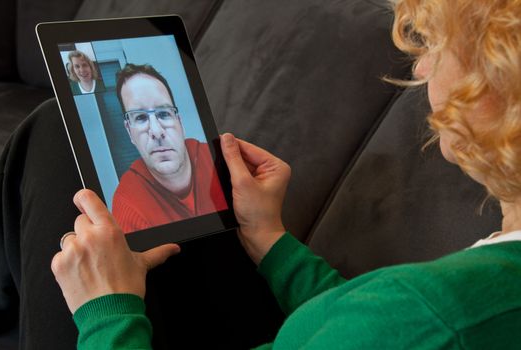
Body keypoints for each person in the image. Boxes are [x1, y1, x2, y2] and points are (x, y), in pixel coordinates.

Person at [48, 0, 521, 348]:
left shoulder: (435, 314)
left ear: (496, 88)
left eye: (435, 44)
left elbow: (396, 325)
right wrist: (271, 239)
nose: (421, 64)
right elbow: (362, 327)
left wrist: (105, 312)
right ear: (128, 131)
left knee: (47, 132)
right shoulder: (438, 310)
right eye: (141, 120)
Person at [111, 64, 228, 233]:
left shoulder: (218, 158)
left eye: (164, 114)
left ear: (179, 122)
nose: (157, 132)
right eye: (141, 117)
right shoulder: (127, 202)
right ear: (129, 131)